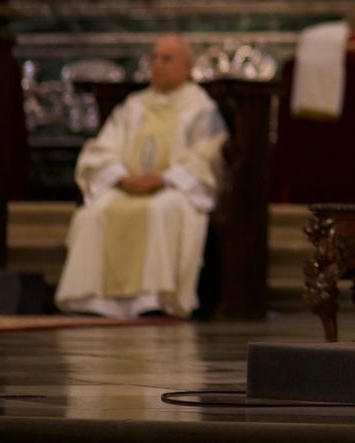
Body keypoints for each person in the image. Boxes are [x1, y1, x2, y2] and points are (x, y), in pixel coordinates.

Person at [55, 35, 228, 319]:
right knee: (94, 212)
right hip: (128, 185)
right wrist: (121, 176)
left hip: (173, 188)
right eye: (155, 58)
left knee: (161, 210)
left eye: (167, 58)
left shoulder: (201, 108)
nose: (158, 64)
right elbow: (102, 148)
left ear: (188, 66)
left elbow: (207, 155)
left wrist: (164, 179)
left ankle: (151, 299)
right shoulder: (134, 106)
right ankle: (93, 300)